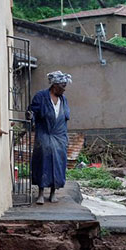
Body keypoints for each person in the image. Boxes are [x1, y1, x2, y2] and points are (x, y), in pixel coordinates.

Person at [28, 71, 72, 204]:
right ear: (55, 85)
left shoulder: (63, 100)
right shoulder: (41, 97)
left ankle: (53, 192)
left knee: (58, 163)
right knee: (43, 161)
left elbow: (64, 119)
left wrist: (65, 138)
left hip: (59, 136)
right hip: (44, 134)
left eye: (65, 86)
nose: (64, 89)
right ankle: (41, 193)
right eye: (62, 86)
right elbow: (32, 112)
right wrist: (30, 118)